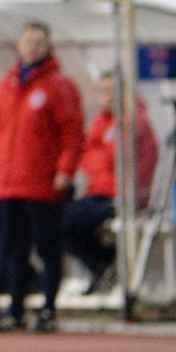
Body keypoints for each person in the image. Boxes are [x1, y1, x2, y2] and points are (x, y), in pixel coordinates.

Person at [0, 22, 84, 332]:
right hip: (9, 182)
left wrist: (65, 170)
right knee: (13, 248)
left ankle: (48, 308)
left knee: (47, 246)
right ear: (19, 45)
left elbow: (72, 133)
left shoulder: (59, 85)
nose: (32, 47)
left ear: (48, 46)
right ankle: (15, 308)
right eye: (27, 41)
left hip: (42, 183)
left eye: (39, 41)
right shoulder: (8, 84)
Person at [61, 70, 158, 293]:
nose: (108, 96)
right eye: (103, 91)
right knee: (56, 220)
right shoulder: (100, 122)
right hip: (98, 191)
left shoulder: (134, 121)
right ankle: (101, 263)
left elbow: (123, 159)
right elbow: (89, 157)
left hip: (123, 195)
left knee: (70, 221)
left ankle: (105, 263)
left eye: (113, 91)